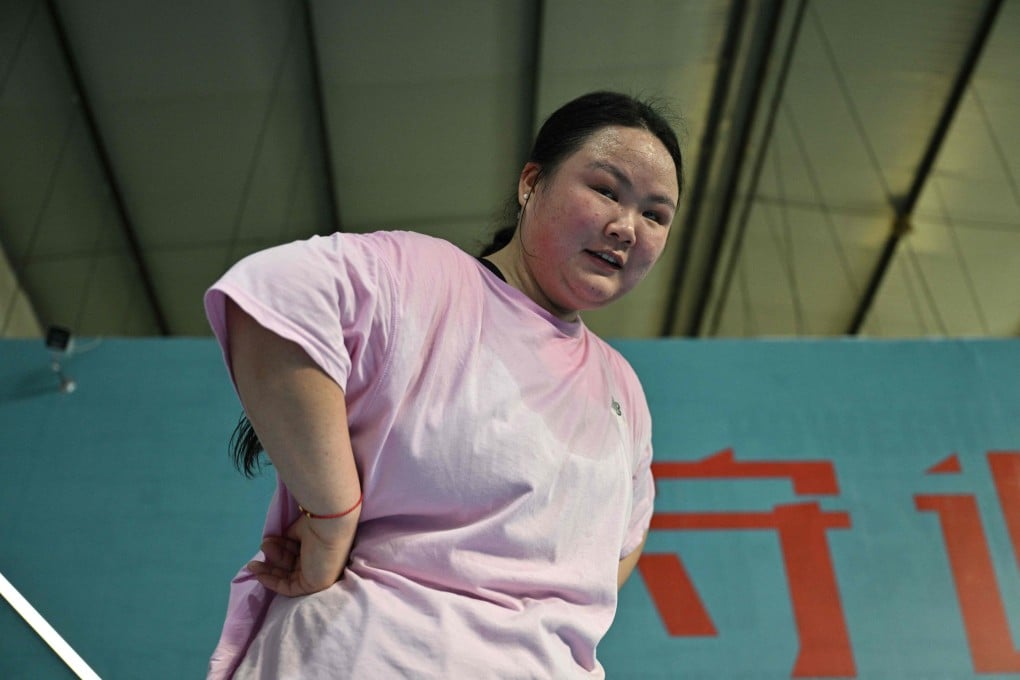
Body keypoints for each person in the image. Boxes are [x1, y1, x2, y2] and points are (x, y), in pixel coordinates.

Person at [204, 90, 684, 678]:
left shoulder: (623, 391)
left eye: (655, 214)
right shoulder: (425, 276)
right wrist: (332, 519)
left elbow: (619, 542)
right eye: (606, 190)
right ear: (531, 182)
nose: (626, 227)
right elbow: (271, 298)